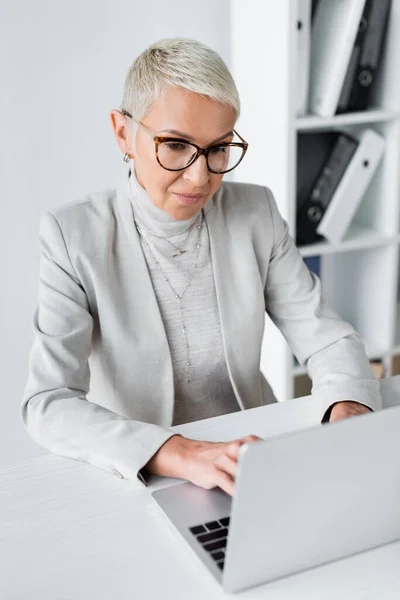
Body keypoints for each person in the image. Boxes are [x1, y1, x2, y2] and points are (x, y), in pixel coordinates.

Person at [22, 38, 380, 497]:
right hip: (142, 473)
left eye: (219, 148)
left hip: (254, 457)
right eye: (174, 145)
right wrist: (182, 453)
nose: (201, 176)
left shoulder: (256, 211)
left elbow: (327, 338)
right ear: (122, 133)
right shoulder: (72, 237)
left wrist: (349, 404)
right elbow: (48, 402)